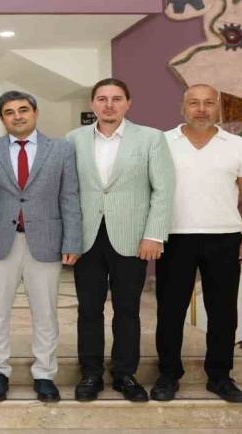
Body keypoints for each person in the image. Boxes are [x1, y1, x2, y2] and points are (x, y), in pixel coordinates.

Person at [65, 78, 175, 402]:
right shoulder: (73, 139)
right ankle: (90, 374)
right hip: (86, 238)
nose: (109, 105)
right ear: (92, 104)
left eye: (116, 99)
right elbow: (66, 193)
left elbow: (164, 189)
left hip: (133, 238)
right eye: (102, 99)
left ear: (128, 103)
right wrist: (68, 238)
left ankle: (125, 374)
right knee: (89, 309)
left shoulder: (151, 138)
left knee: (127, 310)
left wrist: (153, 235)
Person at [152, 84, 242, 403]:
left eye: (208, 103)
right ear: (183, 107)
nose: (201, 109)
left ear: (218, 107)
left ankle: (220, 377)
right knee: (170, 311)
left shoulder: (237, 144)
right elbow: (149, 189)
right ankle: (168, 375)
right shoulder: (161, 142)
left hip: (224, 238)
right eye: (194, 103)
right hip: (174, 237)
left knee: (223, 312)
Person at [0, 90, 82, 403]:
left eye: (23, 110)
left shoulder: (61, 149)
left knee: (45, 313)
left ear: (35, 113)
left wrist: (72, 240)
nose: (17, 116)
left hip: (46, 241)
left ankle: (45, 374)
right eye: (9, 112)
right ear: (1, 118)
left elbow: (69, 197)